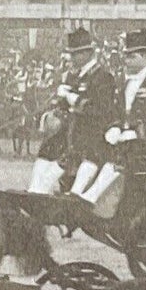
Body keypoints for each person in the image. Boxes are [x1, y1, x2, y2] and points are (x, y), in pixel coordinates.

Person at [28, 27, 119, 196]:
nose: (71, 58)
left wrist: (72, 98)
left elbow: (101, 110)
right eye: (71, 54)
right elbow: (62, 107)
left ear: (87, 53)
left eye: (75, 54)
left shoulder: (103, 77)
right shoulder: (72, 77)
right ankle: (34, 192)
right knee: (46, 150)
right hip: (68, 135)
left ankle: (70, 196)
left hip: (90, 135)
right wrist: (52, 112)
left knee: (68, 163)